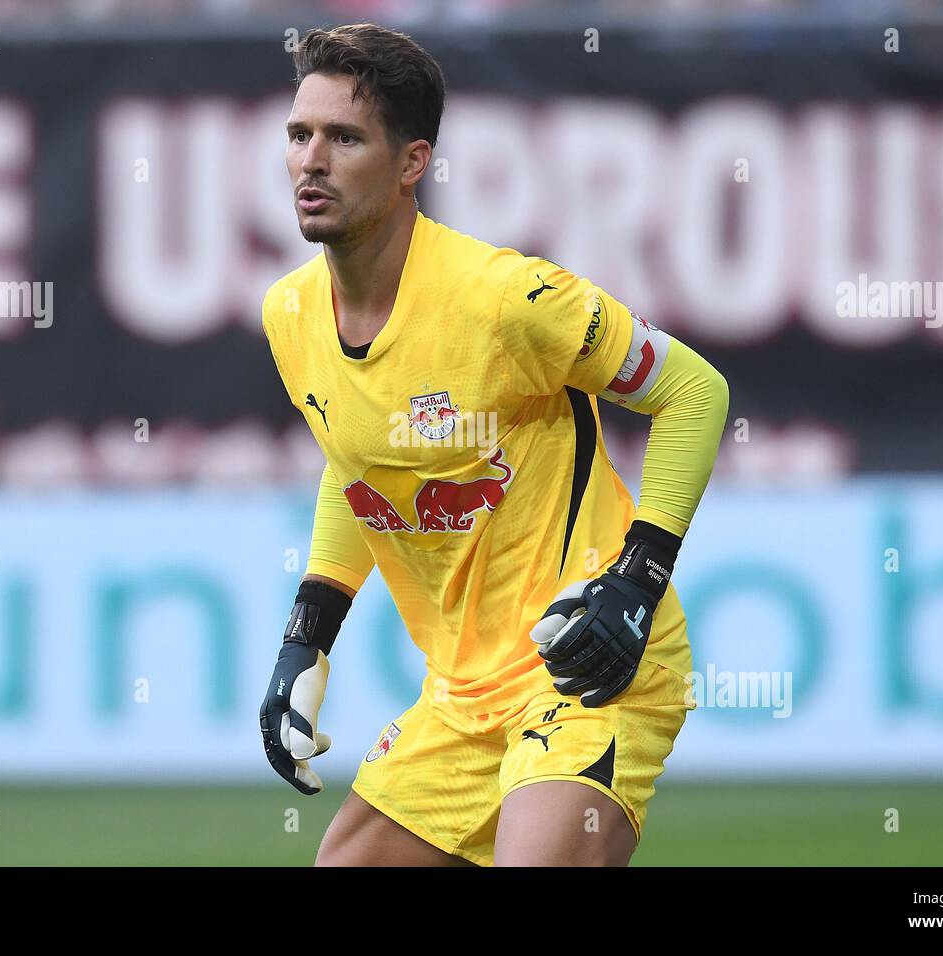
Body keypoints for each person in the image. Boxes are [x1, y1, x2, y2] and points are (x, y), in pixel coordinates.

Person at [259, 23, 729, 867]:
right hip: (463, 694)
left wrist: (638, 580)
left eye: (344, 138)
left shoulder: (509, 300)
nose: (311, 161)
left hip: (588, 658)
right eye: (300, 134)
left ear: (412, 163)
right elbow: (354, 464)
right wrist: (308, 634)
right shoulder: (290, 315)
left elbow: (696, 392)